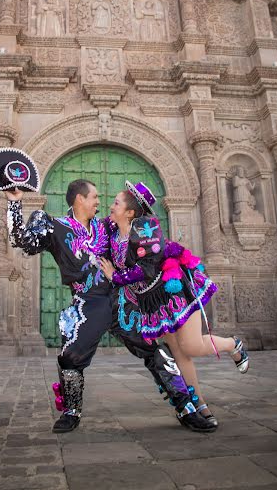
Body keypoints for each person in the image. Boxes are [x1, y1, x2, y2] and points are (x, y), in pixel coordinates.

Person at [6, 179, 216, 434]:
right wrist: (15, 203)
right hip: (88, 305)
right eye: (94, 196)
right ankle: (72, 411)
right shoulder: (55, 227)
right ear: (80, 199)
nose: (99, 201)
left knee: (153, 350)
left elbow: (140, 238)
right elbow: (22, 241)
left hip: (121, 301)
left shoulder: (105, 226)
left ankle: (186, 408)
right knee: (70, 356)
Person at [100, 182, 250, 426]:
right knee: (178, 354)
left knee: (190, 346)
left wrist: (114, 277)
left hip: (174, 291)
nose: (110, 206)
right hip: (151, 302)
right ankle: (198, 404)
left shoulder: (147, 229)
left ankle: (234, 345)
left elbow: (145, 268)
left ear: (130, 212)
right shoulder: (113, 230)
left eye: (116, 203)